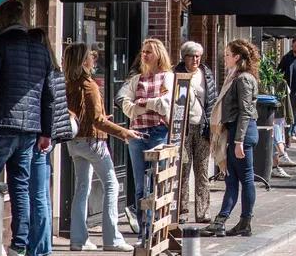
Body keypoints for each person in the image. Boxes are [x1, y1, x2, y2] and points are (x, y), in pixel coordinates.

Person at [0, 0, 52, 256]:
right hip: (30, 130)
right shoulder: (41, 50)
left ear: (2, 19)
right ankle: (19, 244)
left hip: (0, 125)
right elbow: (48, 95)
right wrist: (45, 132)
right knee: (21, 186)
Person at [63, 43, 139, 252]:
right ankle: (112, 239)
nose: (94, 60)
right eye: (90, 57)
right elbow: (97, 121)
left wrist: (101, 119)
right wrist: (125, 133)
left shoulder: (68, 84)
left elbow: (83, 115)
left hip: (75, 141)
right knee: (112, 185)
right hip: (92, 142)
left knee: (81, 188)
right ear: (83, 61)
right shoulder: (90, 85)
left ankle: (78, 240)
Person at [205, 40, 259, 237]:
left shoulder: (243, 79)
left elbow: (245, 112)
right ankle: (221, 221)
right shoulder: (233, 76)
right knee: (231, 178)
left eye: (228, 54)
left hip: (241, 133)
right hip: (234, 131)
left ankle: (245, 221)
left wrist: (238, 142)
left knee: (245, 178)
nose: (225, 57)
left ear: (237, 57)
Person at [121, 38, 174, 227]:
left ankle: (156, 227)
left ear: (159, 54)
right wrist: (149, 105)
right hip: (137, 134)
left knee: (156, 181)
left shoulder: (168, 77)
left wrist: (142, 103)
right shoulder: (136, 79)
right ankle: (144, 231)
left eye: (149, 52)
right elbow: (127, 107)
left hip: (158, 132)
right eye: (143, 51)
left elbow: (166, 104)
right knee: (140, 185)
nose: (144, 55)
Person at [27, 28, 70, 256]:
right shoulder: (57, 71)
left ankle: (40, 248)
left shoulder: (42, 72)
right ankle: (43, 246)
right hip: (49, 137)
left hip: (39, 138)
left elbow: (48, 104)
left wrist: (44, 133)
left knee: (37, 194)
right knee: (42, 193)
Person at [177, 41, 216, 223]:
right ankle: (182, 211)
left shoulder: (206, 74)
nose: (195, 59)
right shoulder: (175, 74)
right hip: (183, 128)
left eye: (198, 56)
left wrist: (213, 126)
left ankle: (203, 211)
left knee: (201, 171)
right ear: (184, 57)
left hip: (202, 127)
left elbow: (212, 101)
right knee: (183, 170)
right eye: (192, 56)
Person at [278, 37, 296, 146]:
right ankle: (288, 138)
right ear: (292, 46)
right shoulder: (287, 58)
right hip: (291, 91)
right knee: (290, 115)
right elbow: (279, 72)